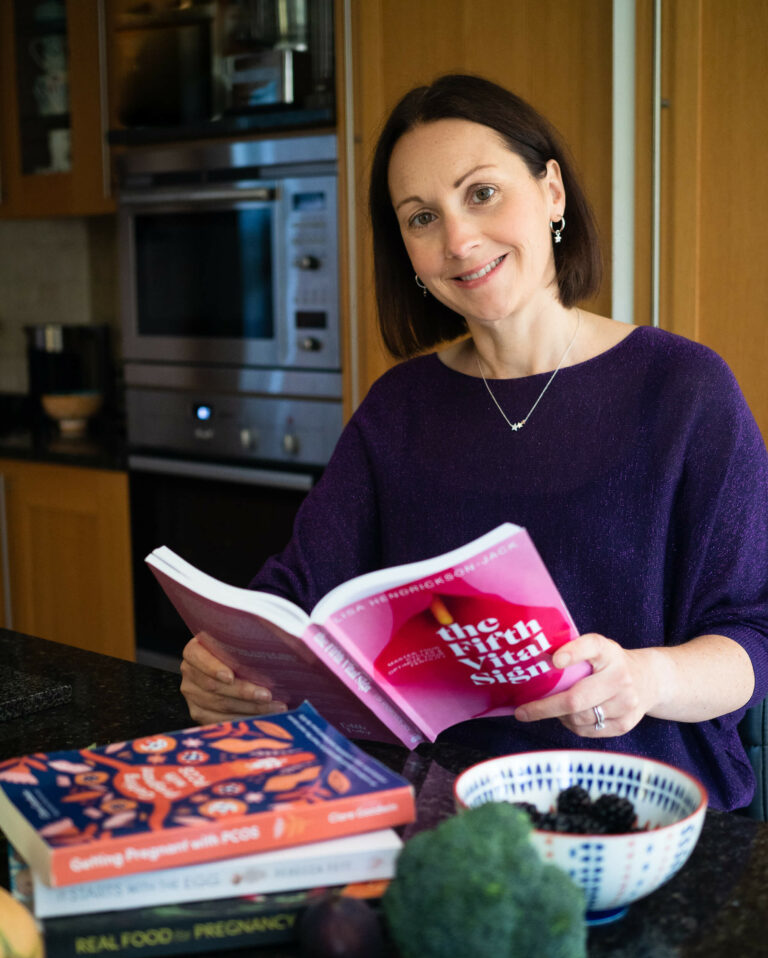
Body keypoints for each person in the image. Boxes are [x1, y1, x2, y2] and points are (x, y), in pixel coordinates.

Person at [180, 74, 768, 811]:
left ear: (551, 191)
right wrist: (227, 664)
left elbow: (752, 634)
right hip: (434, 815)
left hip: (642, 814)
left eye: (481, 193)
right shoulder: (399, 407)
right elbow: (296, 597)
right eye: (422, 217)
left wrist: (648, 679)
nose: (458, 240)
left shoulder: (685, 390)